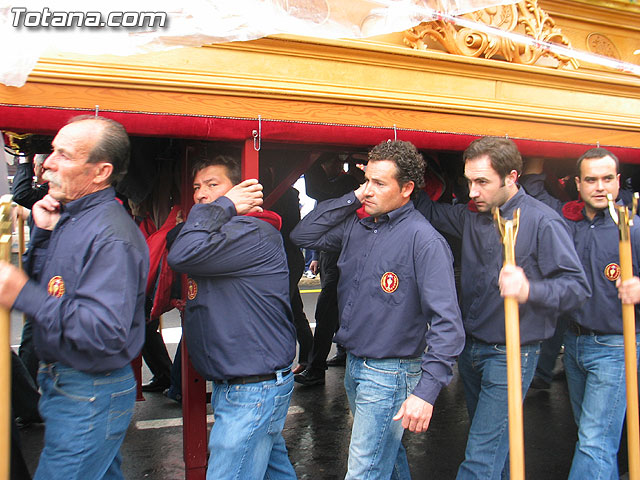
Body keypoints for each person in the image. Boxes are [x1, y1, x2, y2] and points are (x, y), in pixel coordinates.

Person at [412, 136, 590, 480]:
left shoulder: (542, 221)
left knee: (480, 458)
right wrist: (405, 169)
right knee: (497, 449)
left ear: (511, 178)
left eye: (482, 182)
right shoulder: (473, 215)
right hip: (472, 351)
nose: (472, 192)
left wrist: (529, 289)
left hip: (512, 354)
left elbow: (577, 289)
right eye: (468, 182)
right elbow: (429, 210)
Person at [291, 140, 465, 479]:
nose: (368, 191)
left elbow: (448, 325)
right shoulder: (358, 225)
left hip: (391, 373)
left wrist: (426, 392)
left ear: (407, 189)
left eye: (379, 183)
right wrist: (353, 197)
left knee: (364, 470)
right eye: (366, 180)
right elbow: (303, 233)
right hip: (356, 366)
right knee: (388, 457)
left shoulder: (425, 241)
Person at [0, 115, 149, 479]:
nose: (47, 163)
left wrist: (22, 293)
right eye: (52, 151)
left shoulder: (111, 235)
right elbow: (51, 283)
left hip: (90, 390)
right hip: (65, 383)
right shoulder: (69, 217)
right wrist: (44, 234)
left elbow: (103, 330)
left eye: (63, 155)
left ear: (100, 172)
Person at [167, 154, 297, 479]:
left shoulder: (252, 231)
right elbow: (179, 239)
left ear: (239, 190)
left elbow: (182, 253)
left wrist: (223, 205)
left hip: (251, 391)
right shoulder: (222, 232)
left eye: (213, 185)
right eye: (197, 187)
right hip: (246, 387)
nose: (201, 194)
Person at [520, 149, 640, 479]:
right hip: (573, 346)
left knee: (594, 442)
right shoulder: (565, 222)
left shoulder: (633, 228)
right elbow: (532, 189)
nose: (600, 187)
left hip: (617, 348)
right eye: (591, 180)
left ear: (618, 182)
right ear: (578, 184)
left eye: (607, 179)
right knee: (592, 439)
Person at [295, 152, 364, 385]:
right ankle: (339, 353)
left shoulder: (345, 183)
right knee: (333, 308)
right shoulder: (343, 184)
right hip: (331, 251)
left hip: (339, 253)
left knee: (326, 309)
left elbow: (317, 191)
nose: (334, 165)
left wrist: (310, 158)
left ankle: (316, 367)